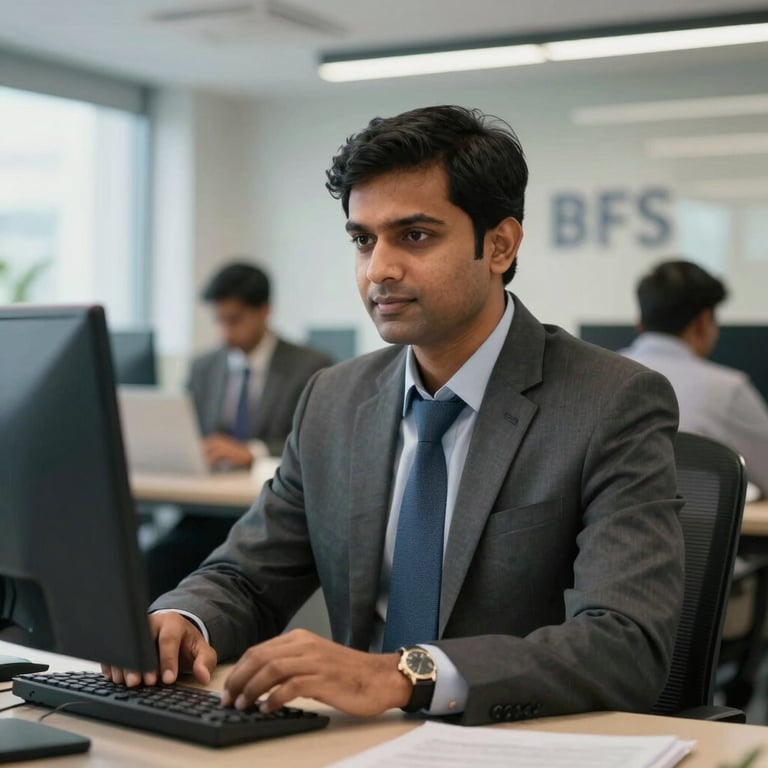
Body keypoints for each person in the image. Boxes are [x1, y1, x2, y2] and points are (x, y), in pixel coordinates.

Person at [109, 105, 684, 726]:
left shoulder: (611, 401)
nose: (378, 269)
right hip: (353, 742)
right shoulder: (333, 399)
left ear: (499, 244)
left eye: (415, 236)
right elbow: (248, 574)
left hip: (511, 739)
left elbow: (625, 642)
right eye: (363, 239)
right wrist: (183, 618)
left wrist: (403, 674)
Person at [143, 261, 333, 598]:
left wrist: (252, 452)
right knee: (150, 564)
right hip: (207, 509)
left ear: (264, 312)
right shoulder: (204, 367)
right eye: (219, 320)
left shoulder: (311, 367)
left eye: (235, 320)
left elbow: (317, 445)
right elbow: (190, 430)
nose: (225, 332)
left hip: (270, 511)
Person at [621, 259, 768, 497]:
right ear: (703, 321)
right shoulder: (728, 391)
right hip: (695, 534)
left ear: (640, 323)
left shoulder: (593, 380)